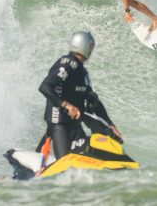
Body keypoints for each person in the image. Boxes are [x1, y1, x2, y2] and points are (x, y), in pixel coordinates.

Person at [36, 31, 122, 160]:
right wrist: (66, 105)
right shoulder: (67, 64)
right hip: (59, 124)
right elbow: (45, 87)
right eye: (91, 47)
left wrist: (110, 124)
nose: (92, 51)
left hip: (74, 124)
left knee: (85, 158)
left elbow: (92, 100)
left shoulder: (82, 71)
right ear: (84, 46)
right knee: (65, 162)